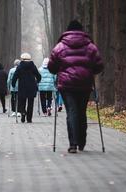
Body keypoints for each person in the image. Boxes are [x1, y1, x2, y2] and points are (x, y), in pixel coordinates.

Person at [48, 20, 103, 153]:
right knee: (81, 111)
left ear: (68, 31)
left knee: (71, 111)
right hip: (84, 84)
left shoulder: (60, 47)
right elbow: (99, 65)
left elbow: (51, 67)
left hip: (67, 85)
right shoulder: (90, 46)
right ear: (82, 31)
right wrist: (89, 72)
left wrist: (58, 70)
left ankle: (73, 144)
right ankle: (82, 142)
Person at [12, 53, 41, 123]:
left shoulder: (19, 66)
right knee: (30, 103)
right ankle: (29, 119)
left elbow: (15, 76)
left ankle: (23, 112)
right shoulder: (33, 66)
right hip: (32, 87)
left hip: (22, 87)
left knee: (22, 102)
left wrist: (13, 84)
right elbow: (39, 76)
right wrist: (37, 81)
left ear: (22, 59)